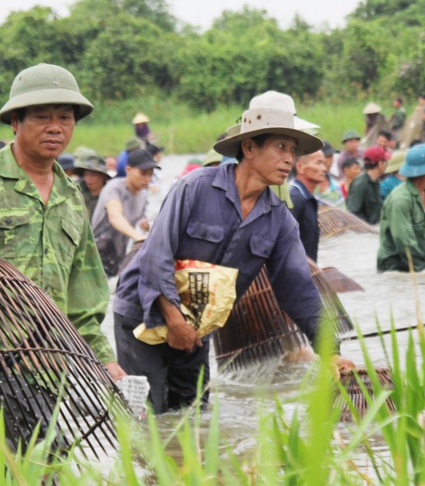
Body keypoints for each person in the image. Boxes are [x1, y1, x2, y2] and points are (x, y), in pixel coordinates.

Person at [112, 107, 339, 414]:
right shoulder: (195, 187)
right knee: (148, 413)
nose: (289, 159)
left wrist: (330, 352)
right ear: (249, 148)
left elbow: (299, 290)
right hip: (145, 310)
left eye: (294, 150)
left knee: (193, 414)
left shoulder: (279, 221)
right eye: (280, 147)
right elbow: (156, 255)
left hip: (196, 325)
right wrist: (175, 319)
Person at [0, 63, 122, 381]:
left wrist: (104, 358)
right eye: (42, 117)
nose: (55, 128)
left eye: (64, 118)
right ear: (15, 121)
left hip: (51, 366)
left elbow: (84, 294)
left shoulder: (71, 198)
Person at [377, 144, 425, 272]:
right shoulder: (400, 200)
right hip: (396, 267)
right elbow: (404, 241)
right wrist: (423, 269)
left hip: (418, 264)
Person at [91, 149, 158, 277]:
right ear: (128, 170)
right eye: (143, 173)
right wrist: (138, 237)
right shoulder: (114, 188)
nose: (148, 179)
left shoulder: (143, 195)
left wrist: (147, 228)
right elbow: (115, 217)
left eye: (151, 174)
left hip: (117, 259)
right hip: (95, 257)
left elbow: (140, 221)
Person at [289, 147, 329, 261]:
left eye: (324, 164)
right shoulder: (295, 199)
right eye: (318, 163)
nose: (324, 168)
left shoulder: (308, 199)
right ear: (300, 167)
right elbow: (285, 242)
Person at [346, 146, 387, 225]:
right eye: (385, 161)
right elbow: (352, 213)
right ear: (380, 163)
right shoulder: (360, 184)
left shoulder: (375, 182)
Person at [74, 150, 112, 219]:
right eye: (86, 174)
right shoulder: (77, 191)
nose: (88, 179)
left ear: (103, 176)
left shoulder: (110, 195)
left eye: (93, 175)